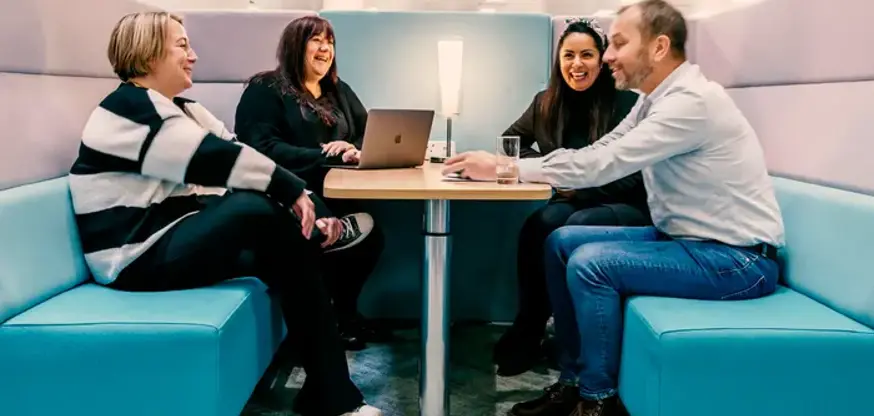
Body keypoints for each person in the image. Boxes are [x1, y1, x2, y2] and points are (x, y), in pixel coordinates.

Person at [443, 1, 785, 415]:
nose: (607, 56)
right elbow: (602, 148)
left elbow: (604, 164)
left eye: (617, 44)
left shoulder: (690, 103)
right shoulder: (652, 100)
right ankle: (571, 381)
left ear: (659, 47)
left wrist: (506, 166)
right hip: (688, 242)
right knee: (561, 240)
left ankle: (597, 400)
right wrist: (513, 167)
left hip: (737, 261)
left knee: (591, 263)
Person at [67, 12, 382, 416]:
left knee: (289, 254)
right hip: (133, 257)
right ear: (146, 54)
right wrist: (290, 193)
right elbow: (215, 158)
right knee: (256, 209)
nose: (193, 55)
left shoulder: (185, 109)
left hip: (174, 237)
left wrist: (297, 197)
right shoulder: (126, 108)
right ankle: (323, 241)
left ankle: (329, 392)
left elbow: (240, 153)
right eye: (182, 45)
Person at [493, 17, 651, 377]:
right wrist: (549, 170)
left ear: (602, 59)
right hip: (568, 203)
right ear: (558, 60)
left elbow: (634, 174)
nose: (576, 64)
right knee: (539, 224)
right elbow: (509, 144)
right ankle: (530, 327)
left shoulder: (625, 104)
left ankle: (570, 343)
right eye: (568, 55)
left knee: (571, 225)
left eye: (586, 55)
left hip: (624, 205)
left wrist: (577, 187)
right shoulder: (545, 102)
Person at [234, 15, 390, 351]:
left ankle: (344, 315)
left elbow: (367, 132)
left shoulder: (338, 90)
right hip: (290, 193)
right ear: (294, 46)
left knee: (371, 239)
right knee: (343, 241)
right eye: (315, 40)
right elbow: (260, 148)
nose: (325, 48)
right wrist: (324, 154)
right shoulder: (266, 89)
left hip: (341, 189)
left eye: (330, 42)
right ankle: (329, 325)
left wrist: (354, 147)